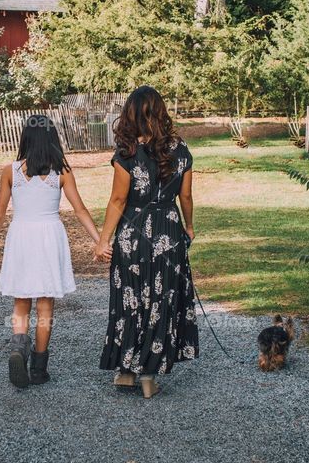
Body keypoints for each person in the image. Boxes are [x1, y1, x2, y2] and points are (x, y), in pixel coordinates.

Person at [95, 86, 198, 399]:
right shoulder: (181, 150)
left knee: (130, 300)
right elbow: (186, 196)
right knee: (162, 301)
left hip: (133, 234)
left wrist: (103, 239)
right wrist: (189, 227)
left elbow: (117, 199)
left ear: (131, 113)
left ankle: (125, 371)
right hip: (169, 232)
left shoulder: (127, 152)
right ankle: (150, 375)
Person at [0, 115, 99, 389]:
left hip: (21, 236)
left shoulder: (10, 171)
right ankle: (38, 368)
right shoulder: (61, 171)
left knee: (21, 301)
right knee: (45, 304)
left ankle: (18, 349)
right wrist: (99, 239)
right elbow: (79, 209)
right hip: (49, 236)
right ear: (52, 139)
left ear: (25, 138)